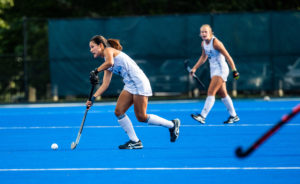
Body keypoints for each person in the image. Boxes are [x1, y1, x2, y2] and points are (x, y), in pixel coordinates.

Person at [86, 35, 180, 149]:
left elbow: (110, 62)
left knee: (141, 117)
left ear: (101, 45)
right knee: (118, 111)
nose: (91, 50)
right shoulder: (106, 61)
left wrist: (96, 71)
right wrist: (93, 98)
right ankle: (135, 141)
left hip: (139, 82)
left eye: (92, 47)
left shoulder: (108, 50)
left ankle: (172, 124)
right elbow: (105, 84)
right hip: (130, 85)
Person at [190, 24, 240, 124]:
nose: (203, 34)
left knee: (210, 91)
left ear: (211, 33)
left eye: (205, 32)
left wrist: (234, 70)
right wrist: (194, 68)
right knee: (223, 94)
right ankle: (234, 116)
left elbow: (228, 57)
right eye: (202, 32)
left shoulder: (216, 43)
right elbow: (203, 57)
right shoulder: (203, 43)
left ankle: (202, 116)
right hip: (214, 70)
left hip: (221, 70)